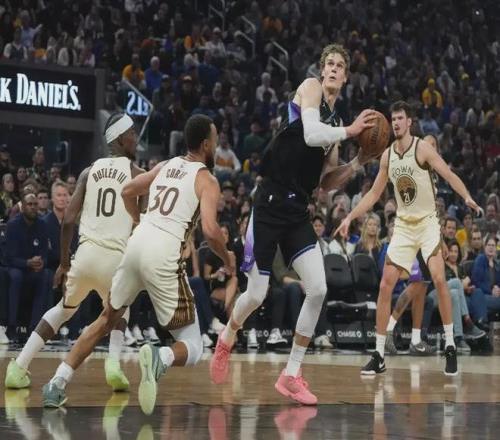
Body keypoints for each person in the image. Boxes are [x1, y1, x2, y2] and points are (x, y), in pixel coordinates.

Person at [210, 43, 376, 405]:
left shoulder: (336, 123)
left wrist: (358, 163)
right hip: (269, 202)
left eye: (340, 65)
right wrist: (351, 132)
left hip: (298, 208)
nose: (333, 69)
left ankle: (291, 373)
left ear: (346, 77)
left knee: (317, 288)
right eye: (329, 63)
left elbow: (326, 183)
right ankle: (227, 336)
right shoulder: (310, 88)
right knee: (256, 294)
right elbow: (311, 134)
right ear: (322, 69)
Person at [42, 115, 233, 415]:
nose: (218, 143)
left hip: (136, 245)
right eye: (216, 138)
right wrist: (227, 258)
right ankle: (160, 358)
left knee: (106, 319)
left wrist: (137, 219)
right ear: (206, 144)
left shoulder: (165, 165)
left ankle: (57, 382)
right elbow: (210, 229)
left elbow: (128, 191)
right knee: (193, 345)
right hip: (163, 254)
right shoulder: (207, 180)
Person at [336, 100, 482, 376]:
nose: (395, 123)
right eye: (393, 119)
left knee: (438, 278)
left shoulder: (422, 148)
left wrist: (466, 196)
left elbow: (448, 174)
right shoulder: (387, 156)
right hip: (403, 225)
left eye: (400, 118)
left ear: (409, 122)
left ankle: (450, 345)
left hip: (427, 223)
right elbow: (374, 194)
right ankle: (379, 354)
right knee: (385, 285)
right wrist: (349, 217)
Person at [5, 113, 142, 391]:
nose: (136, 139)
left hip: (85, 257)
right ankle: (114, 365)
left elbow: (68, 220)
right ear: (119, 138)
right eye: (132, 134)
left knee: (62, 311)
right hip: (115, 259)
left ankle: (18, 367)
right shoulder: (138, 175)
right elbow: (143, 222)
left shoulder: (88, 172)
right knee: (120, 311)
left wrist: (64, 263)